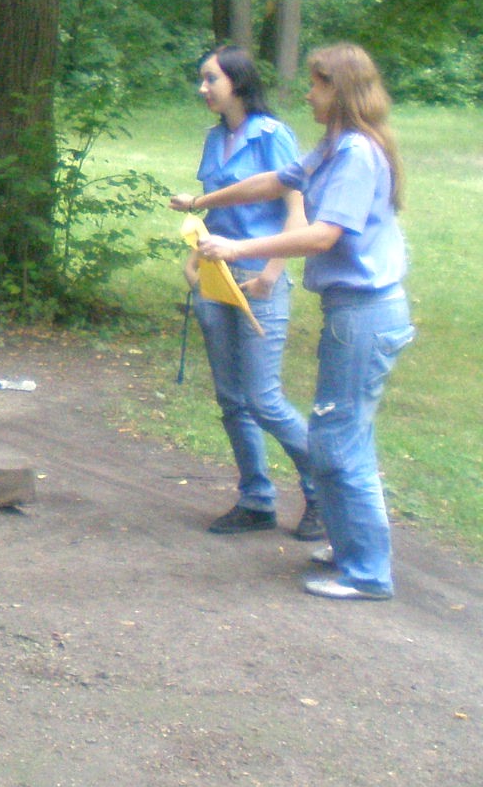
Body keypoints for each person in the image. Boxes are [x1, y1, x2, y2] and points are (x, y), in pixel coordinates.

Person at [171, 43, 412, 602]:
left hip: (366, 312)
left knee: (338, 440)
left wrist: (241, 249)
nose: (307, 94)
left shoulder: (355, 153)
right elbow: (273, 183)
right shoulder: (333, 148)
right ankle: (352, 550)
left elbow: (325, 234)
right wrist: (205, 201)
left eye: (317, 85)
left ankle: (368, 573)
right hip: (351, 311)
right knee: (340, 437)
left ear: (341, 90)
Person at [178, 47, 321, 543]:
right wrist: (193, 260)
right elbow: (214, 214)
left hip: (259, 277)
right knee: (233, 400)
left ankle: (323, 493)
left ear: (237, 82)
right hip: (216, 279)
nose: (202, 88)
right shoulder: (214, 138)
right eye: (201, 79)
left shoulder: (273, 135)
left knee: (264, 398)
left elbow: (295, 213)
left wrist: (271, 274)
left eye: (209, 79)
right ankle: (256, 499)